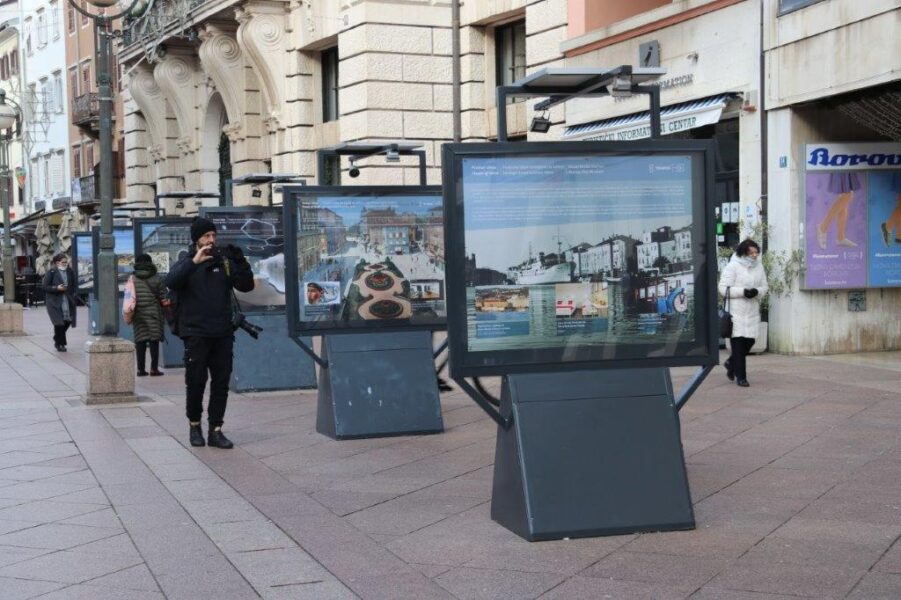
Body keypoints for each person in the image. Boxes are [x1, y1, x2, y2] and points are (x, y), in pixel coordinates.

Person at [166, 218, 254, 449]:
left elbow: (246, 286)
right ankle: (194, 425)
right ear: (197, 239)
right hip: (195, 333)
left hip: (222, 332)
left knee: (221, 383)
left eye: (214, 236)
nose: (211, 240)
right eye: (206, 236)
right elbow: (171, 282)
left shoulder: (223, 261)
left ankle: (216, 429)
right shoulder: (186, 261)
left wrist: (240, 260)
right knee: (195, 382)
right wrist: (194, 262)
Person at [718, 239, 767, 387]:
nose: (754, 255)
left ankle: (731, 363)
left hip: (752, 311)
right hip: (736, 312)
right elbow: (723, 288)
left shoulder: (759, 267)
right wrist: (743, 292)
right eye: (751, 252)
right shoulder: (732, 266)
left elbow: (765, 286)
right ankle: (741, 377)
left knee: (750, 341)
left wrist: (756, 292)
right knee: (738, 346)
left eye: (756, 252)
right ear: (743, 252)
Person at [131, 254, 166, 377]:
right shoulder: (157, 278)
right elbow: (163, 297)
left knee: (140, 341)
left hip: (138, 313)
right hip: (153, 313)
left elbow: (129, 296)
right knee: (154, 340)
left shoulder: (133, 278)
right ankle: (153, 369)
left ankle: (141, 369)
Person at [42, 253, 78, 352]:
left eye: (67, 262)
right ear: (57, 263)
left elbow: (74, 284)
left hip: (67, 300)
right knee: (59, 323)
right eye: (64, 262)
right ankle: (61, 344)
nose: (66, 264)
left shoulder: (70, 271)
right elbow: (45, 287)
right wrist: (56, 288)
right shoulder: (51, 272)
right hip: (54, 302)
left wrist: (74, 294)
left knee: (68, 321)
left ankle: (57, 338)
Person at [817, 172, 861, 249]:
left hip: (847, 165)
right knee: (848, 196)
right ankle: (822, 227)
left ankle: (840, 237)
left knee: (844, 197)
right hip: (841, 164)